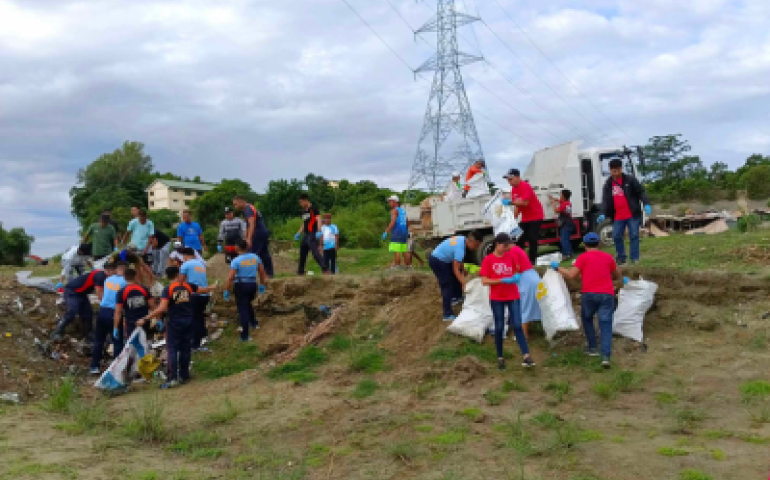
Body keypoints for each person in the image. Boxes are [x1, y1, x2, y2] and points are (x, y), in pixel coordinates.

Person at [552, 232, 627, 369]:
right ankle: (605, 357)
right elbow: (616, 275)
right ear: (598, 244)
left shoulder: (582, 258)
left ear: (585, 245)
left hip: (589, 294)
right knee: (605, 324)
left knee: (586, 318)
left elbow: (571, 275)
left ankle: (592, 347)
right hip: (606, 294)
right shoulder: (608, 257)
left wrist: (557, 268)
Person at [141, 266, 216, 389]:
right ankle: (184, 375)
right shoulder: (188, 286)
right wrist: (212, 287)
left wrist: (147, 318)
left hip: (175, 322)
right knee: (185, 348)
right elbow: (202, 290)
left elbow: (162, 308)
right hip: (189, 320)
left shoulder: (168, 289)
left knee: (172, 349)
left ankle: (173, 378)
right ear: (178, 274)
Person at [479, 233, 535, 370]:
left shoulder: (510, 256)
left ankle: (526, 356)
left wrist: (516, 276)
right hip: (497, 297)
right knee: (499, 327)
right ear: (497, 244)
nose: (506, 248)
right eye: (504, 245)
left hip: (513, 295)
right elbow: (484, 281)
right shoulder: (488, 260)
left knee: (517, 324)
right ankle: (500, 357)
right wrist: (502, 280)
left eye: (507, 245)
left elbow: (516, 269)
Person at [598, 159, 652, 265]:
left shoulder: (630, 180)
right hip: (618, 216)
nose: (616, 173)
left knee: (634, 235)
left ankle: (635, 258)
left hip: (632, 213)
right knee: (616, 236)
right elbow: (605, 200)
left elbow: (640, 192)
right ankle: (621, 257)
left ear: (621, 168)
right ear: (610, 170)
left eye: (618, 170)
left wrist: (646, 203)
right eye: (614, 171)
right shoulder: (608, 184)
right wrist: (603, 212)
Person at [429, 230, 483, 321]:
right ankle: (447, 314)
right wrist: (463, 283)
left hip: (444, 259)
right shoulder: (460, 248)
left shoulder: (462, 239)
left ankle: (457, 297)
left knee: (455, 278)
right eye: (476, 245)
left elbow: (457, 259)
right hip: (438, 261)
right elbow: (455, 269)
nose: (476, 248)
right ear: (471, 241)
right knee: (447, 285)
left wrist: (463, 268)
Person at [51, 265, 115, 341]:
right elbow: (99, 293)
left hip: (81, 294)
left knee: (88, 313)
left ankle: (88, 334)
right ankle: (57, 332)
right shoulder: (100, 276)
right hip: (72, 291)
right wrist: (106, 306)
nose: (115, 275)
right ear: (108, 271)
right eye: (114, 272)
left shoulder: (105, 277)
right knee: (72, 310)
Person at [224, 240, 269, 342]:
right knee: (248, 304)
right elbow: (262, 272)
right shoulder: (255, 257)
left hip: (241, 285)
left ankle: (245, 335)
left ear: (237, 248)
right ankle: (253, 323)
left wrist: (226, 289)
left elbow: (231, 277)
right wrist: (262, 284)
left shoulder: (236, 261)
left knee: (242, 309)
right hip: (252, 284)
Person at [90, 262, 127, 374]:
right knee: (117, 341)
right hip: (114, 312)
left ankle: (94, 366)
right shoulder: (125, 282)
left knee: (98, 340)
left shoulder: (108, 280)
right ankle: (115, 369)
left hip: (102, 311)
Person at [502, 169, 544, 264]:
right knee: (518, 238)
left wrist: (510, 202)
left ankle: (532, 261)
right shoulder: (513, 189)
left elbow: (525, 203)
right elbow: (517, 206)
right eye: (508, 180)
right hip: (526, 218)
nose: (509, 182)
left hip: (536, 216)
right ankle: (520, 260)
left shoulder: (525, 186)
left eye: (510, 179)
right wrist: (513, 220)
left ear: (517, 177)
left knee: (532, 238)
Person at [233, 195, 275, 278]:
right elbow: (248, 226)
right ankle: (269, 273)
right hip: (262, 231)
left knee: (252, 253)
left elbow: (252, 225)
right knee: (264, 253)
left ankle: (249, 274)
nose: (235, 206)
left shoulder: (248, 209)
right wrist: (245, 236)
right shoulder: (248, 209)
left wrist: (249, 239)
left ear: (241, 201)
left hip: (258, 232)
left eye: (236, 204)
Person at [179, 247, 210, 351]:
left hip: (194, 295)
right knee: (199, 316)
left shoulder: (186, 265)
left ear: (186, 255)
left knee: (194, 319)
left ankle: (196, 344)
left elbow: (180, 283)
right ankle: (203, 335)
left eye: (183, 256)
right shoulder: (200, 264)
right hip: (204, 295)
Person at [114, 268, 156, 343]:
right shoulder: (144, 289)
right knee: (144, 344)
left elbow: (118, 312)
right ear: (135, 276)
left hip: (131, 323)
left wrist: (115, 327)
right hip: (144, 321)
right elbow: (152, 306)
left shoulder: (121, 292)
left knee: (132, 345)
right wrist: (157, 319)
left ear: (124, 277)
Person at [295, 193, 328, 275]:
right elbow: (304, 223)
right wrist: (299, 232)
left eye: (301, 202)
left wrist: (319, 231)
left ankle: (325, 269)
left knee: (315, 252)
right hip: (306, 234)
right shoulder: (303, 212)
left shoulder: (313, 209)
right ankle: (300, 271)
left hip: (313, 233)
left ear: (306, 200)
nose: (301, 204)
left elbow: (319, 219)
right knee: (302, 252)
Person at [383, 196, 411, 269]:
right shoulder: (403, 211)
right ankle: (408, 266)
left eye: (390, 201)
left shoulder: (394, 210)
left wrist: (386, 231)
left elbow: (393, 222)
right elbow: (407, 222)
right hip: (404, 232)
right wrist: (407, 231)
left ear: (395, 202)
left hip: (397, 232)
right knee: (404, 249)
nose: (389, 203)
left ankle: (397, 266)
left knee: (396, 250)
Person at [549, 189, 575, 260]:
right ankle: (570, 253)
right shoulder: (567, 203)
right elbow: (559, 201)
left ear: (563, 196)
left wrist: (553, 203)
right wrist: (553, 199)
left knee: (564, 240)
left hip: (566, 224)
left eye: (561, 195)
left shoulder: (564, 205)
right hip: (569, 223)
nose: (560, 196)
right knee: (566, 239)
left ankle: (567, 254)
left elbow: (556, 210)